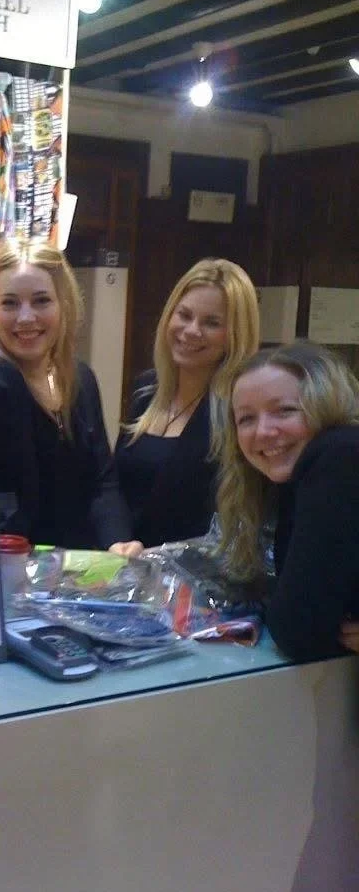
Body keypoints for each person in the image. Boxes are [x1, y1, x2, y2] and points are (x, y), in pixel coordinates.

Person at [0, 239, 140, 554]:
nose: (26, 317)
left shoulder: (80, 379)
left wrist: (119, 542)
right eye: (10, 303)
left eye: (41, 301)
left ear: (64, 304)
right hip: (14, 586)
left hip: (81, 583)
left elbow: (103, 481)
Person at [218, 341, 359, 661]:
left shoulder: (339, 456)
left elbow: (299, 630)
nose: (264, 431)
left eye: (285, 410)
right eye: (246, 419)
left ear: (325, 406)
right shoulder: (298, 478)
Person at [113, 258, 259, 547]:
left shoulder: (240, 407)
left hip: (195, 578)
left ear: (236, 336)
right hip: (128, 570)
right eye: (185, 315)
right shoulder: (146, 389)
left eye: (211, 323)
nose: (192, 331)